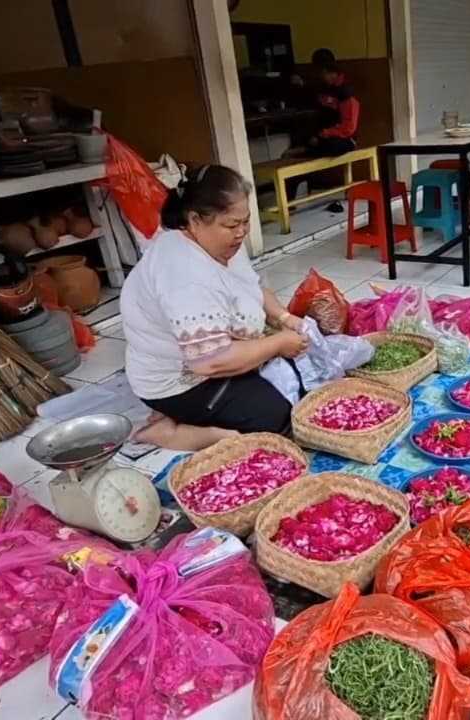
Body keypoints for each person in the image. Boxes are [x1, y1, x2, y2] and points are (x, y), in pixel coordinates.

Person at [121, 164, 309, 450]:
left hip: (218, 359)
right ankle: (172, 432)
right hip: (183, 382)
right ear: (195, 220)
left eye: (245, 222)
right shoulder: (185, 274)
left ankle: (193, 414)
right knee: (277, 417)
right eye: (232, 225)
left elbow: (252, 287)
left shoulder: (221, 245)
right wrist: (278, 343)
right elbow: (209, 362)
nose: (241, 233)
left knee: (304, 377)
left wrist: (284, 317)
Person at [285, 61, 360, 159]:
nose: (322, 76)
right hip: (323, 134)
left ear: (333, 74)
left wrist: (323, 135)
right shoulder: (324, 89)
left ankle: (300, 151)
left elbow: (348, 127)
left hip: (343, 138)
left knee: (331, 146)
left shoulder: (346, 94)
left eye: (324, 73)